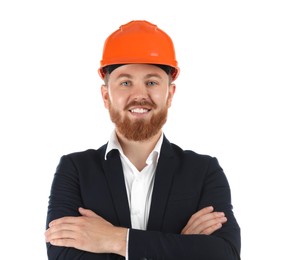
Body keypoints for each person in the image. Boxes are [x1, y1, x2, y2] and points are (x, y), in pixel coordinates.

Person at [45, 20, 241, 259]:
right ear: (106, 96)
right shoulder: (75, 169)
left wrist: (115, 239)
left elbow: (225, 254)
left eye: (151, 82)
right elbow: (62, 255)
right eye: (125, 82)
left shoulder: (203, 170)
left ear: (169, 94)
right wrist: (181, 245)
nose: (139, 95)